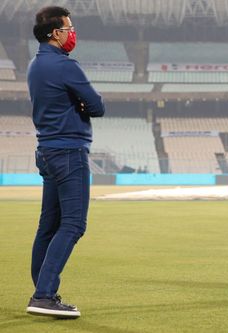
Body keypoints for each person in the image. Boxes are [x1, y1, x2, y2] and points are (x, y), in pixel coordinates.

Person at [26, 6, 105, 318]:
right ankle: (43, 295)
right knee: (73, 224)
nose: (73, 33)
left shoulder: (35, 65)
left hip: (46, 150)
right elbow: (97, 106)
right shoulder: (65, 66)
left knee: (48, 225)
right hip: (69, 151)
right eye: (69, 28)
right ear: (55, 33)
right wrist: (82, 104)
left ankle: (42, 289)